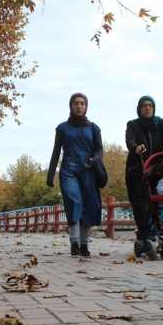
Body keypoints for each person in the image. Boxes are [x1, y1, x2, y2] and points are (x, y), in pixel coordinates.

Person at [125, 95, 163, 257]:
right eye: (144, 106)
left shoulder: (161, 124)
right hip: (136, 169)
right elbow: (129, 140)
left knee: (159, 198)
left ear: (154, 108)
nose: (147, 108)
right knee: (141, 204)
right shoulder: (133, 125)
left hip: (157, 167)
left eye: (150, 105)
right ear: (139, 108)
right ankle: (146, 236)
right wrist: (136, 147)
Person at [47, 93, 103, 257]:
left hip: (88, 170)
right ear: (70, 106)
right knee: (74, 201)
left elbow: (100, 149)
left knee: (88, 205)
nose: (79, 106)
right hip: (68, 170)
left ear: (86, 106)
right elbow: (56, 151)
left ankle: (84, 244)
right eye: (76, 103)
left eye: (82, 103)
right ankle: (74, 243)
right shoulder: (63, 128)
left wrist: (94, 160)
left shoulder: (93, 128)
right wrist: (50, 175)